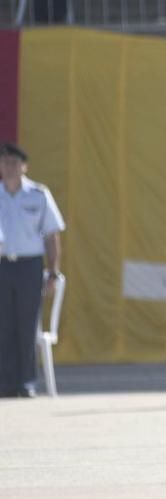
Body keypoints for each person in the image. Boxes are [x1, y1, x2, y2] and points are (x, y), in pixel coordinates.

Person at [0, 143, 65, 398]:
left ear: (24, 167)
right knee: (3, 324)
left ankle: (26, 381)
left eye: (14, 163)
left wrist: (53, 271)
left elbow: (51, 234)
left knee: (27, 324)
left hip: (29, 265)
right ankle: (4, 381)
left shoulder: (38, 194)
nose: (9, 168)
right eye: (5, 163)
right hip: (3, 264)